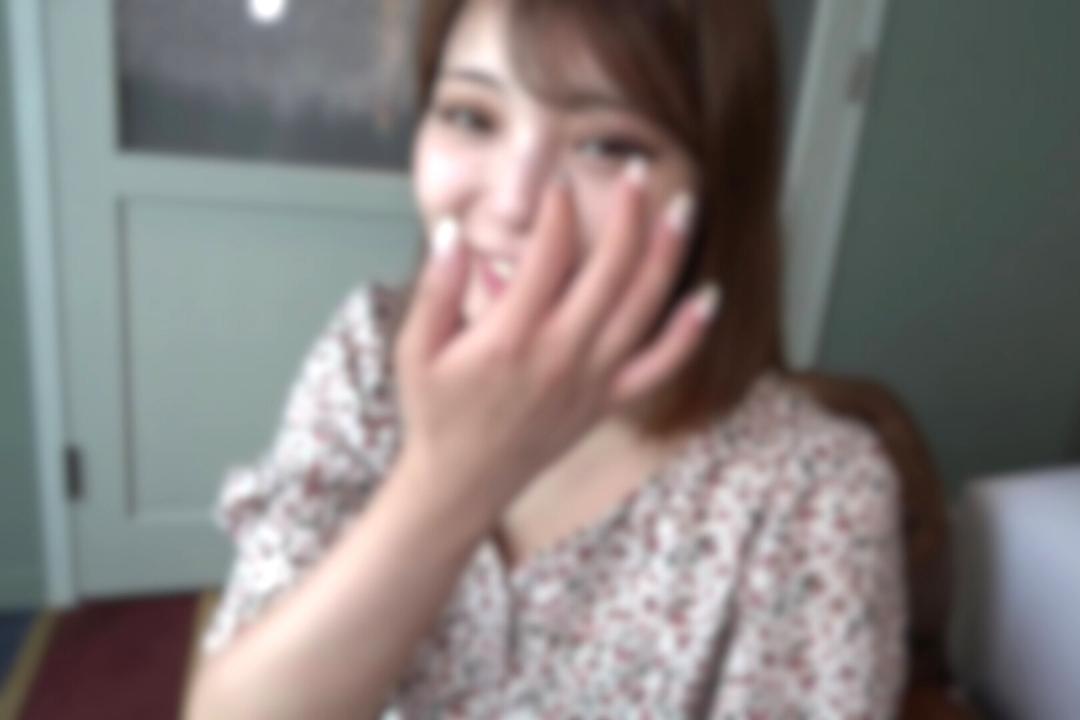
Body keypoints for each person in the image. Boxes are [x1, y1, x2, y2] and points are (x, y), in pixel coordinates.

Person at [186, 0, 906, 717]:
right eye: (472, 117)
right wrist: (451, 482)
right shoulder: (370, 354)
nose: (512, 203)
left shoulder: (819, 492)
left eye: (608, 145)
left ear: (715, 187)